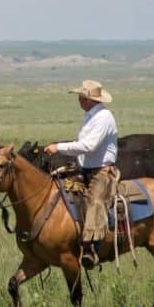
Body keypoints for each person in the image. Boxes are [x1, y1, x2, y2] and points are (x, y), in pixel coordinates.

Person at [43, 80, 119, 269]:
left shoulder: (103, 117)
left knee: (94, 201)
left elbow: (88, 146)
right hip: (85, 170)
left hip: (102, 171)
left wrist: (58, 147)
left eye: (81, 97)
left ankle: (91, 247)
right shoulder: (90, 116)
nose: (79, 100)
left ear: (88, 99)